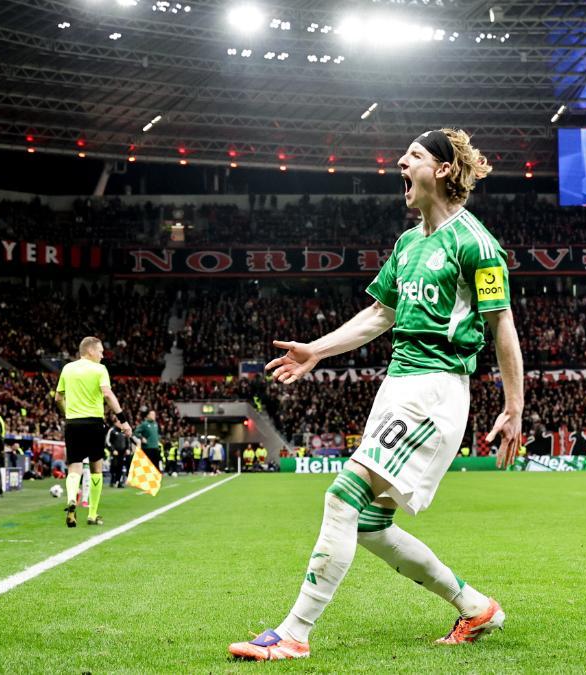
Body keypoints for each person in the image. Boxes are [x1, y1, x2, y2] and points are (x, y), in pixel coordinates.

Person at [229, 128, 525, 661]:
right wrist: (316, 350)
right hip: (398, 386)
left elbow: (502, 325)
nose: (399, 163)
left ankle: (294, 633)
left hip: (435, 390)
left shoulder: (476, 243)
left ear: (441, 169)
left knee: (342, 495)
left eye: (412, 156)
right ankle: (476, 607)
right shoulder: (410, 243)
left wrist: (513, 407)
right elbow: (379, 314)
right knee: (368, 522)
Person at [55, 336, 131, 527]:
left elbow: (57, 398)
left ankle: (72, 498)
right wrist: (123, 420)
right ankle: (92, 514)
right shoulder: (99, 369)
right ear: (90, 350)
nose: (102, 355)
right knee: (96, 468)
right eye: (100, 351)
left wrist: (67, 415)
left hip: (73, 423)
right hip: (93, 423)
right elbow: (107, 394)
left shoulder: (67, 369)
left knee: (74, 466)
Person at [106, 423, 130, 488]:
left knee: (121, 467)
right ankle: (113, 481)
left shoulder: (123, 431)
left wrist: (127, 449)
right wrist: (112, 450)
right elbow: (107, 441)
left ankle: (119, 481)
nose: (121, 424)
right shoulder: (112, 430)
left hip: (122, 453)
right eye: (119, 422)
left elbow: (127, 440)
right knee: (114, 466)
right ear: (116, 423)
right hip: (114, 452)